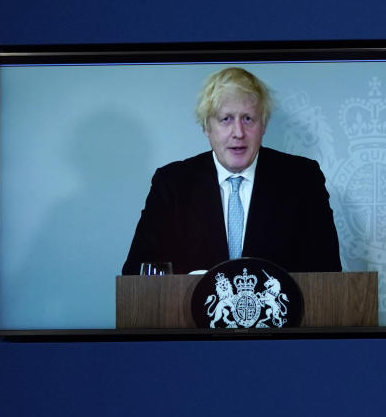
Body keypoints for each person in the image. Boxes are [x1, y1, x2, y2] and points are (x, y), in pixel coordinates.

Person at [122, 67, 342, 275]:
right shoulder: (172, 185)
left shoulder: (303, 180)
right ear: (207, 127)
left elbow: (329, 275)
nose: (238, 132)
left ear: (263, 126)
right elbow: (138, 274)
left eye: (248, 119)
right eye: (226, 119)